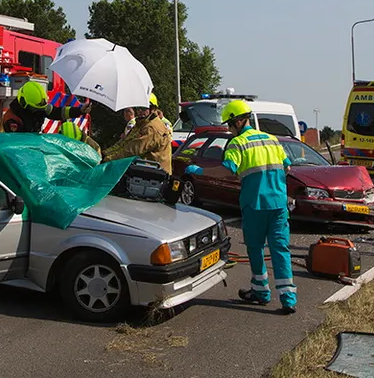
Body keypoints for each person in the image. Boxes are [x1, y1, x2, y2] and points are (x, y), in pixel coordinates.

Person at [185, 99, 296, 314]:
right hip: (279, 204)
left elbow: (227, 169)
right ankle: (288, 298)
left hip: (255, 203)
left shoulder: (238, 143)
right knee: (280, 249)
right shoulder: (272, 140)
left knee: (255, 248)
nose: (228, 129)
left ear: (236, 122)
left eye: (228, 124)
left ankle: (261, 291)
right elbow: (287, 167)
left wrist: (198, 171)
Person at [101, 93, 172, 174]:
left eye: (143, 108)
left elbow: (132, 150)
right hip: (145, 170)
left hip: (155, 175)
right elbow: (124, 143)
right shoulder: (141, 123)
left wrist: (107, 160)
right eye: (138, 108)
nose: (140, 111)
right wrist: (104, 154)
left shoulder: (152, 128)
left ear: (152, 109)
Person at [0, 80, 91, 133]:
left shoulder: (38, 107)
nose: (41, 110)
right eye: (36, 109)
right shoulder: (12, 120)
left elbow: (58, 112)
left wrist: (80, 111)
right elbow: (13, 146)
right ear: (24, 104)